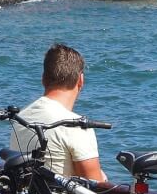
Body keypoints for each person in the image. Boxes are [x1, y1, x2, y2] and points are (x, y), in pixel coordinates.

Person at [8, 43, 107, 181]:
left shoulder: (20, 118)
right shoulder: (76, 125)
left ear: (43, 78)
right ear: (80, 81)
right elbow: (95, 188)